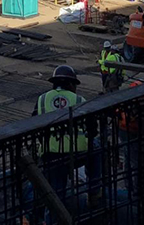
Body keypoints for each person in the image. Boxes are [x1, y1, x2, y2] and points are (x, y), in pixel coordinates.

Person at [31, 65, 91, 217]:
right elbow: (92, 128)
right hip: (77, 153)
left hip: (50, 153)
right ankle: (95, 190)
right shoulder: (79, 100)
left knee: (53, 191)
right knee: (96, 150)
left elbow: (33, 124)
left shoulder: (42, 99)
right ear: (71, 84)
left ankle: (48, 216)